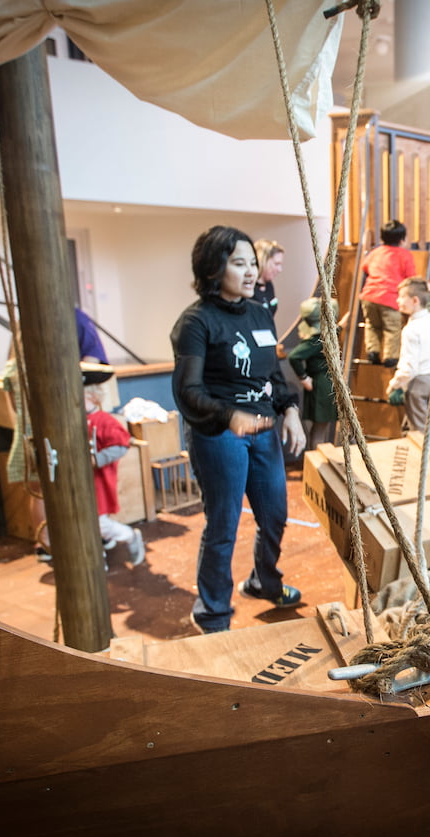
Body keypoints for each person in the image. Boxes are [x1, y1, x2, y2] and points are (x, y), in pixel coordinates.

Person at [170, 225, 307, 633]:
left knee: (276, 516)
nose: (250, 272)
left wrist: (291, 412)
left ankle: (264, 581)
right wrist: (231, 417)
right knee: (224, 524)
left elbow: (275, 375)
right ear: (214, 268)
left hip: (263, 429)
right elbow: (187, 391)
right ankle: (212, 611)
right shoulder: (195, 322)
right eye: (238, 263)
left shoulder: (260, 312)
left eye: (252, 263)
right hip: (219, 434)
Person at [84, 382, 145, 567]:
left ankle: (129, 536)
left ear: (93, 397)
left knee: (97, 522)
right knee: (86, 521)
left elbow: (121, 444)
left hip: (98, 481)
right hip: (82, 482)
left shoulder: (103, 420)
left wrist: (98, 459)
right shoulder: (74, 420)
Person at [357, 220, 415, 365]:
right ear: (402, 239)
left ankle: (373, 351)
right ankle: (390, 357)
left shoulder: (374, 253)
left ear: (382, 238)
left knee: (372, 325)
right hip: (390, 298)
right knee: (392, 329)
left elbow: (365, 268)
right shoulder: (405, 255)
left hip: (369, 296)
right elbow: (411, 278)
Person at [386, 277, 430, 434]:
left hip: (418, 382)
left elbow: (409, 367)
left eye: (402, 297)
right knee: (422, 427)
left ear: (415, 300)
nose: (398, 300)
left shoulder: (411, 329)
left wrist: (394, 384)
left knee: (418, 432)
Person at [288, 296, 338, 450]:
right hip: (321, 384)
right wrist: (304, 378)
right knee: (320, 426)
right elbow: (294, 356)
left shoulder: (321, 336)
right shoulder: (316, 340)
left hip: (325, 382)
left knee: (321, 425)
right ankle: (316, 462)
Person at [252, 239, 285, 314]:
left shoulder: (269, 285)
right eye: (276, 264)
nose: (280, 270)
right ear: (263, 261)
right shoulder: (249, 289)